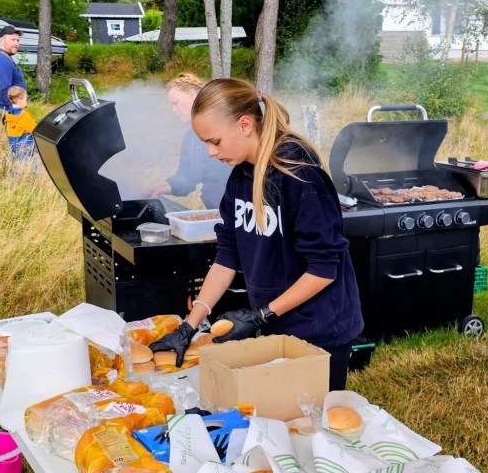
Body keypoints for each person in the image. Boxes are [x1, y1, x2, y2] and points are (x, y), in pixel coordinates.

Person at [150, 78, 363, 391]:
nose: (210, 152)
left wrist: (260, 316)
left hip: (320, 329)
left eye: (215, 141)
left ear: (245, 124)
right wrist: (189, 326)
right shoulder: (240, 178)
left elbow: (323, 270)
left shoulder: (299, 175)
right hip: (278, 322)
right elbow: (227, 257)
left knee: (315, 416)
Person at [146, 73, 231, 209]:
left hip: (242, 211)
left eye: (176, 103)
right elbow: (186, 178)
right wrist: (158, 188)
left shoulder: (228, 125)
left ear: (192, 94)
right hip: (215, 211)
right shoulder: (191, 138)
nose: (174, 110)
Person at [0, 25, 27, 113]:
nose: (16, 43)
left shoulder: (0, 57)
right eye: (12, 40)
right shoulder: (3, 60)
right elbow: (5, 89)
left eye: (18, 40)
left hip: (7, 108)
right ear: (1, 40)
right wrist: (14, 111)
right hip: (7, 110)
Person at [5, 86, 37, 159]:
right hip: (26, 147)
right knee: (32, 163)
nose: (27, 101)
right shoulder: (23, 116)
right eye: (25, 99)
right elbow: (34, 130)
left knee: (20, 163)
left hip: (15, 147)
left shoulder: (9, 114)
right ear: (20, 101)